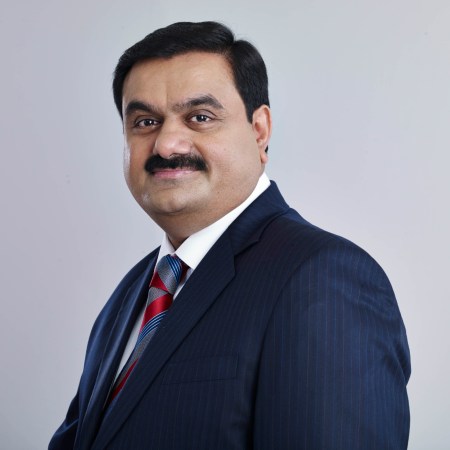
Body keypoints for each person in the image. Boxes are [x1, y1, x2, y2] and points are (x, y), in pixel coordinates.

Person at [49, 21, 410, 450]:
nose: (166, 144)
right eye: (145, 122)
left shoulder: (323, 278)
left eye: (200, 117)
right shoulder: (131, 295)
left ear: (259, 131)